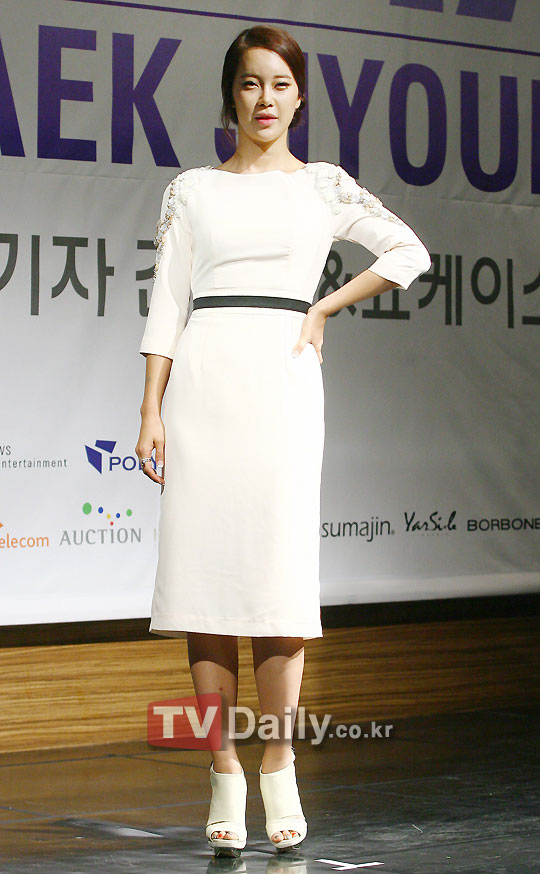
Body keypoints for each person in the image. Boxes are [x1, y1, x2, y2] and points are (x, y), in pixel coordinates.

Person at [135, 23, 431, 858]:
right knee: (204, 586)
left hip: (284, 385)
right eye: (250, 83)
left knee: (276, 585)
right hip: (204, 382)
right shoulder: (192, 190)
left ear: (299, 98)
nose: (264, 99)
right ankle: (222, 771)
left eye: (280, 84)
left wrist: (324, 306)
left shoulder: (323, 186)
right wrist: (151, 409)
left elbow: (408, 251)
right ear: (231, 95)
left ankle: (278, 764)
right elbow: (167, 305)